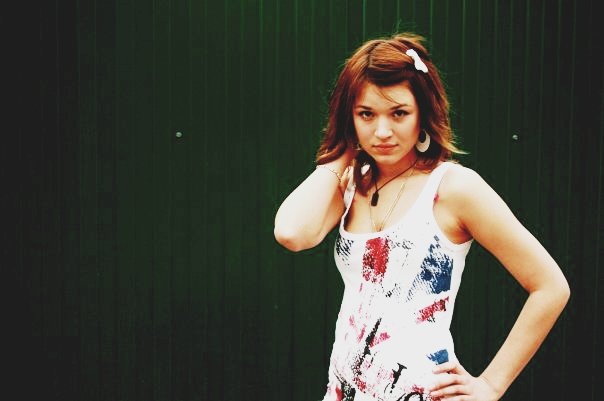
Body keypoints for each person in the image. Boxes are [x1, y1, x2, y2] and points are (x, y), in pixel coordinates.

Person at [273, 32, 570, 401]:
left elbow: (550, 286)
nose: (382, 131)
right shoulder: (349, 184)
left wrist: (492, 384)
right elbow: (292, 233)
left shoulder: (453, 188)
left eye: (399, 113)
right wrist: (343, 150)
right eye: (366, 114)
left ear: (423, 114)